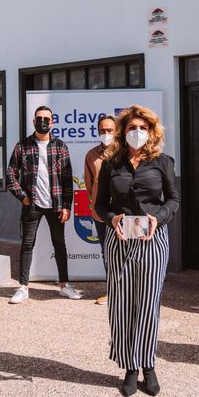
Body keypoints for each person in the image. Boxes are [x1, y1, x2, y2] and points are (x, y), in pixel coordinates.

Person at [95, 104, 180, 397]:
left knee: (148, 304)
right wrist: (112, 218)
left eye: (143, 128)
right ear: (123, 131)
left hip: (152, 239)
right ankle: (129, 366)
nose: (137, 132)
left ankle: (148, 364)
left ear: (152, 132)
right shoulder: (110, 164)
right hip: (118, 239)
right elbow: (100, 205)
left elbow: (173, 199)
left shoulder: (162, 162)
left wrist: (160, 218)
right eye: (132, 128)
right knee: (121, 304)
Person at [6, 105, 80, 303]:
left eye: (47, 119)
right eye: (39, 118)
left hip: (56, 205)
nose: (43, 122)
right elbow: (10, 173)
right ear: (33, 121)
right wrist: (22, 196)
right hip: (32, 205)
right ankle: (23, 287)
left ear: (52, 122)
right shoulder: (22, 146)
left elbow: (67, 178)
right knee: (27, 244)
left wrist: (67, 206)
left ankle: (64, 285)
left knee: (60, 244)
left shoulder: (60, 146)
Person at [84, 114, 116, 305]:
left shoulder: (124, 153)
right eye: (102, 130)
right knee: (107, 252)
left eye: (109, 130)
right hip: (100, 213)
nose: (106, 133)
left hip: (123, 214)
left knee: (127, 252)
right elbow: (89, 186)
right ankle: (112, 291)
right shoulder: (91, 155)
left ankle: (129, 291)